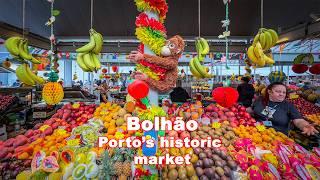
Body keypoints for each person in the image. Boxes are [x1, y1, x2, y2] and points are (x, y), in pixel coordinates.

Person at [249, 82, 318, 136]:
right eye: (278, 91)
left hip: (276, 138)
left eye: (284, 92)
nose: (281, 94)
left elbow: (298, 120)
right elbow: (252, 110)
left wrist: (304, 125)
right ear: (269, 92)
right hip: (255, 134)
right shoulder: (260, 100)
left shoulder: (288, 106)